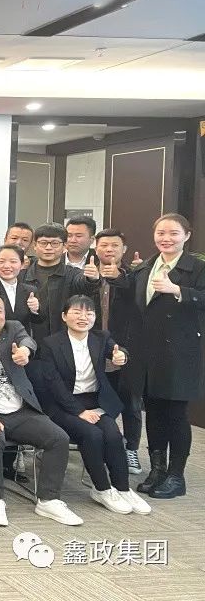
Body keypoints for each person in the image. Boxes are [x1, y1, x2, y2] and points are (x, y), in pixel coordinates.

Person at [0, 285, 81, 527]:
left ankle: (49, 500)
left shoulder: (13, 328)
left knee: (58, 438)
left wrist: (25, 350)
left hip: (19, 409)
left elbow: (27, 340)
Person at [34, 296, 151, 515]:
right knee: (93, 435)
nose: (83, 317)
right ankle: (102, 488)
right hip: (62, 404)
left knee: (114, 435)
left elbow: (118, 350)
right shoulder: (51, 344)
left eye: (89, 313)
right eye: (77, 312)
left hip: (94, 401)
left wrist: (121, 356)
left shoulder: (100, 337)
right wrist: (79, 411)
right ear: (64, 316)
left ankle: (123, 488)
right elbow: (53, 384)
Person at [123, 213, 205, 499]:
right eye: (161, 233)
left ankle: (176, 475)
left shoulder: (197, 267)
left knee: (176, 414)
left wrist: (179, 290)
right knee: (154, 412)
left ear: (187, 236)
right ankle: (157, 470)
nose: (166, 239)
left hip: (180, 353)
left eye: (173, 233)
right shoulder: (145, 266)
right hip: (148, 352)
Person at [92, 228, 142, 473]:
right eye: (104, 245)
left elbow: (140, 303)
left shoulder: (135, 275)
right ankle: (108, 446)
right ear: (96, 248)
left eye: (114, 245)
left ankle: (131, 449)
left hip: (127, 348)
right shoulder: (88, 274)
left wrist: (121, 278)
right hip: (95, 348)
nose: (109, 250)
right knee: (101, 400)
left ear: (124, 249)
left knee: (131, 402)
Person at [23, 224, 100, 340]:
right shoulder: (22, 275)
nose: (48, 248)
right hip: (29, 341)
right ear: (35, 245)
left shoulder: (73, 273)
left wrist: (92, 278)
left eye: (55, 243)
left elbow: (84, 283)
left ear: (64, 246)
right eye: (43, 243)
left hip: (62, 340)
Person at [0, 245, 45, 337]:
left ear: (22, 265)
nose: (7, 266)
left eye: (13, 261)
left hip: (22, 340)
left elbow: (39, 320)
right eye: (1, 261)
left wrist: (35, 309)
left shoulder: (30, 290)